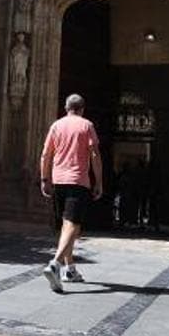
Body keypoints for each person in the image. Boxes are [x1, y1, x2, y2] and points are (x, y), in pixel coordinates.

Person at [40, 93, 103, 292]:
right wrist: (99, 181)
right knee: (72, 224)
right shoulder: (87, 126)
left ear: (66, 108)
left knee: (68, 225)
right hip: (78, 181)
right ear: (82, 109)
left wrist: (44, 179)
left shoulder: (56, 126)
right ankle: (55, 264)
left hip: (58, 180)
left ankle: (70, 269)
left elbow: (46, 154)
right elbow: (94, 154)